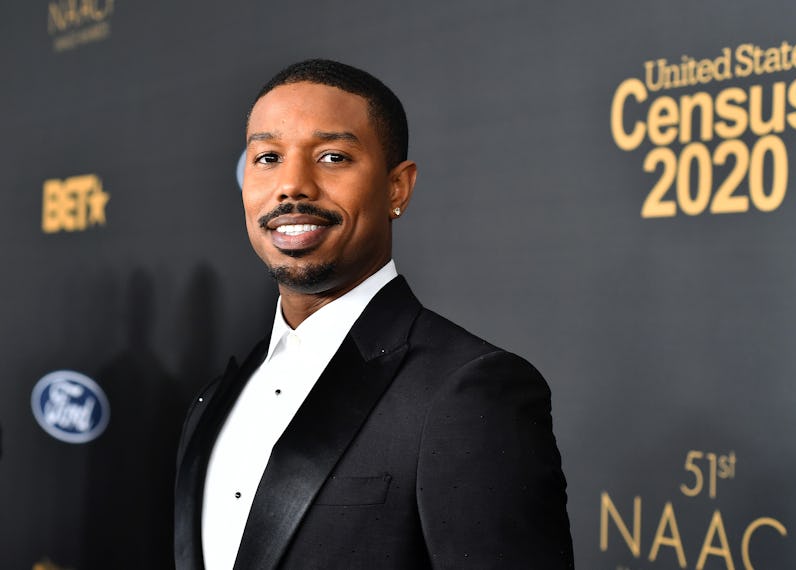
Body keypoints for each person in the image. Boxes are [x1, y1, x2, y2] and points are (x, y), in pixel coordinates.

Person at [174, 59, 574, 569]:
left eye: (333, 156)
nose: (292, 185)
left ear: (396, 189)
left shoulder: (468, 390)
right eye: (268, 157)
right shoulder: (215, 398)